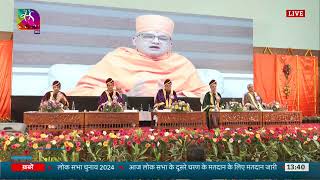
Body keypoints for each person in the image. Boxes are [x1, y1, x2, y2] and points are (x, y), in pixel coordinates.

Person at [68, 15, 207, 97]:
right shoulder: (117, 59)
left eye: (163, 38)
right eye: (148, 36)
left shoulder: (181, 64)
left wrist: (174, 97)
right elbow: (82, 92)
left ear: (170, 44)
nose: (155, 41)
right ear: (134, 40)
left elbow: (205, 96)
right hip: (124, 123)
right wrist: (124, 97)